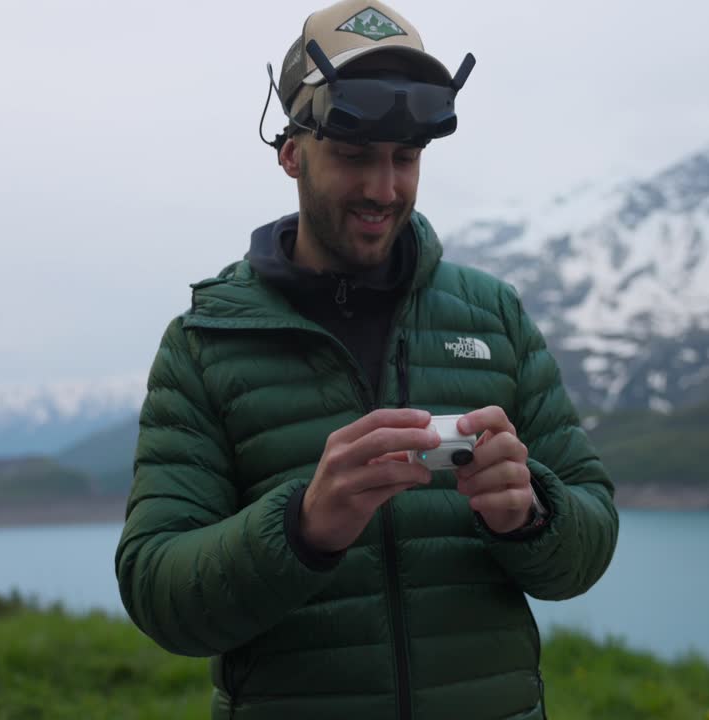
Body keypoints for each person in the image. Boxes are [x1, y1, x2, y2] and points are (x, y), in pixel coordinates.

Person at [115, 1, 619, 717]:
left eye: (405, 158)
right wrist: (301, 527)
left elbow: (591, 539)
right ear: (291, 153)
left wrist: (534, 513)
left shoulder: (494, 316)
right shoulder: (206, 342)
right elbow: (157, 592)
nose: (385, 191)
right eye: (355, 157)